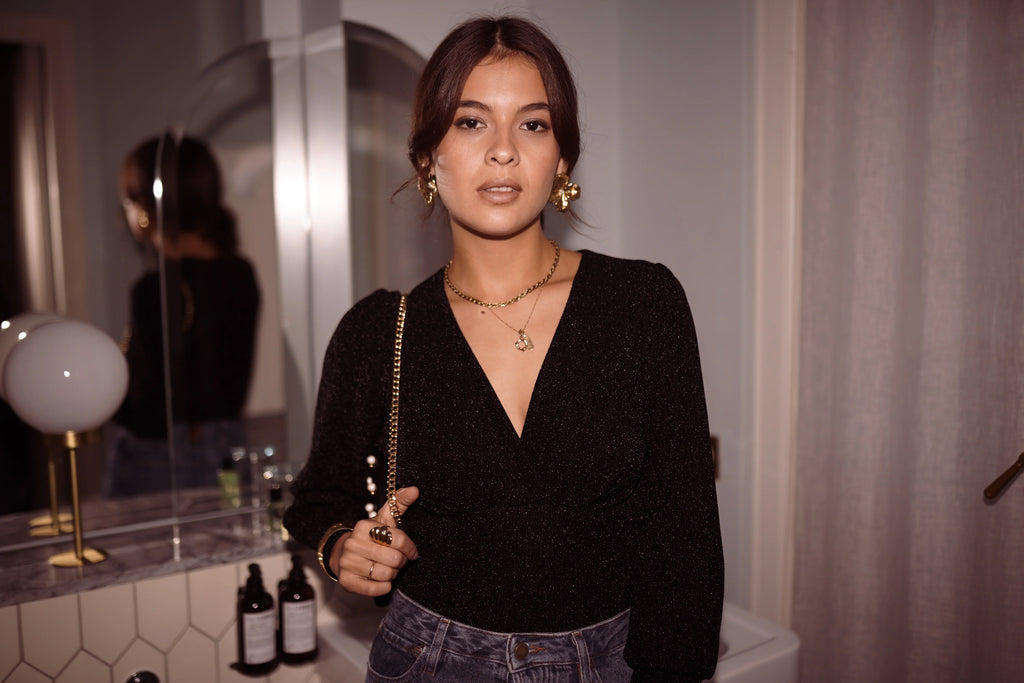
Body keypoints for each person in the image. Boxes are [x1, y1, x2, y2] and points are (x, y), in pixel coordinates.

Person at [284, 15, 723, 682]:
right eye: (471, 122)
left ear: (563, 159)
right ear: (427, 157)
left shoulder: (643, 304)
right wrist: (343, 546)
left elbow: (683, 538)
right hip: (428, 659)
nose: (503, 151)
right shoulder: (379, 332)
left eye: (533, 124)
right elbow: (317, 498)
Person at [105, 135, 260, 498]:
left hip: (162, 453)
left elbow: (147, 396)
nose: (125, 211)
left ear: (148, 204)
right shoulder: (239, 274)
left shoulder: (155, 287)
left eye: (128, 198)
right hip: (225, 443)